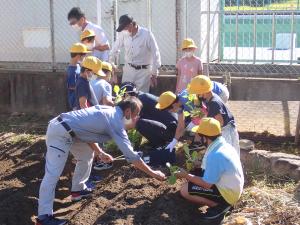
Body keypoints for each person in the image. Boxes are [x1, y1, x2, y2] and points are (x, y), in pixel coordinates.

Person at [36, 97, 166, 225]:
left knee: (87, 155)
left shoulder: (109, 111)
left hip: (71, 131)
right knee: (52, 174)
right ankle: (44, 217)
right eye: (135, 115)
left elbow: (86, 132)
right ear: (127, 112)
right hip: (60, 132)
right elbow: (132, 156)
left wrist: (100, 152)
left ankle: (78, 189)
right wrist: (153, 173)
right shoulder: (115, 120)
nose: (135, 118)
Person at [175, 117, 244, 220]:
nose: (196, 137)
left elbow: (206, 184)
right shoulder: (223, 145)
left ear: (205, 138)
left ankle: (218, 206)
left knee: (185, 190)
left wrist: (186, 175)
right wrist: (197, 165)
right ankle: (218, 202)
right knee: (196, 173)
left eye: (198, 134)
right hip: (233, 188)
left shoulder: (216, 155)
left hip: (228, 194)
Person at [188, 75, 240, 155]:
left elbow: (220, 122)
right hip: (228, 128)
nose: (197, 95)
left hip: (226, 130)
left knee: (227, 155)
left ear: (203, 91)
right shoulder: (212, 98)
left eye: (197, 93)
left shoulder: (213, 103)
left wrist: (208, 129)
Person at [109, 14, 161, 92]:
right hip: (128, 70)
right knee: (125, 94)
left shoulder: (147, 34)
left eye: (125, 28)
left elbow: (155, 53)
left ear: (131, 25)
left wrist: (154, 73)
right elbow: (115, 48)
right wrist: (111, 62)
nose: (124, 30)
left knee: (140, 97)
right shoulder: (123, 34)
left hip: (143, 72)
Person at [120, 82, 178, 147]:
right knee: (139, 122)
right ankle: (159, 142)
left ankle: (160, 145)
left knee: (138, 123)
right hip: (173, 129)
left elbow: (132, 123)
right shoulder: (143, 96)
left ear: (127, 95)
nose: (123, 100)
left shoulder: (139, 101)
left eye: (122, 97)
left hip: (171, 133)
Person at [67, 43, 90, 110]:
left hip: (80, 99)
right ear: (78, 56)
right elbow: (72, 87)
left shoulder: (78, 66)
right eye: (84, 55)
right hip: (75, 102)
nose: (85, 57)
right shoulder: (72, 71)